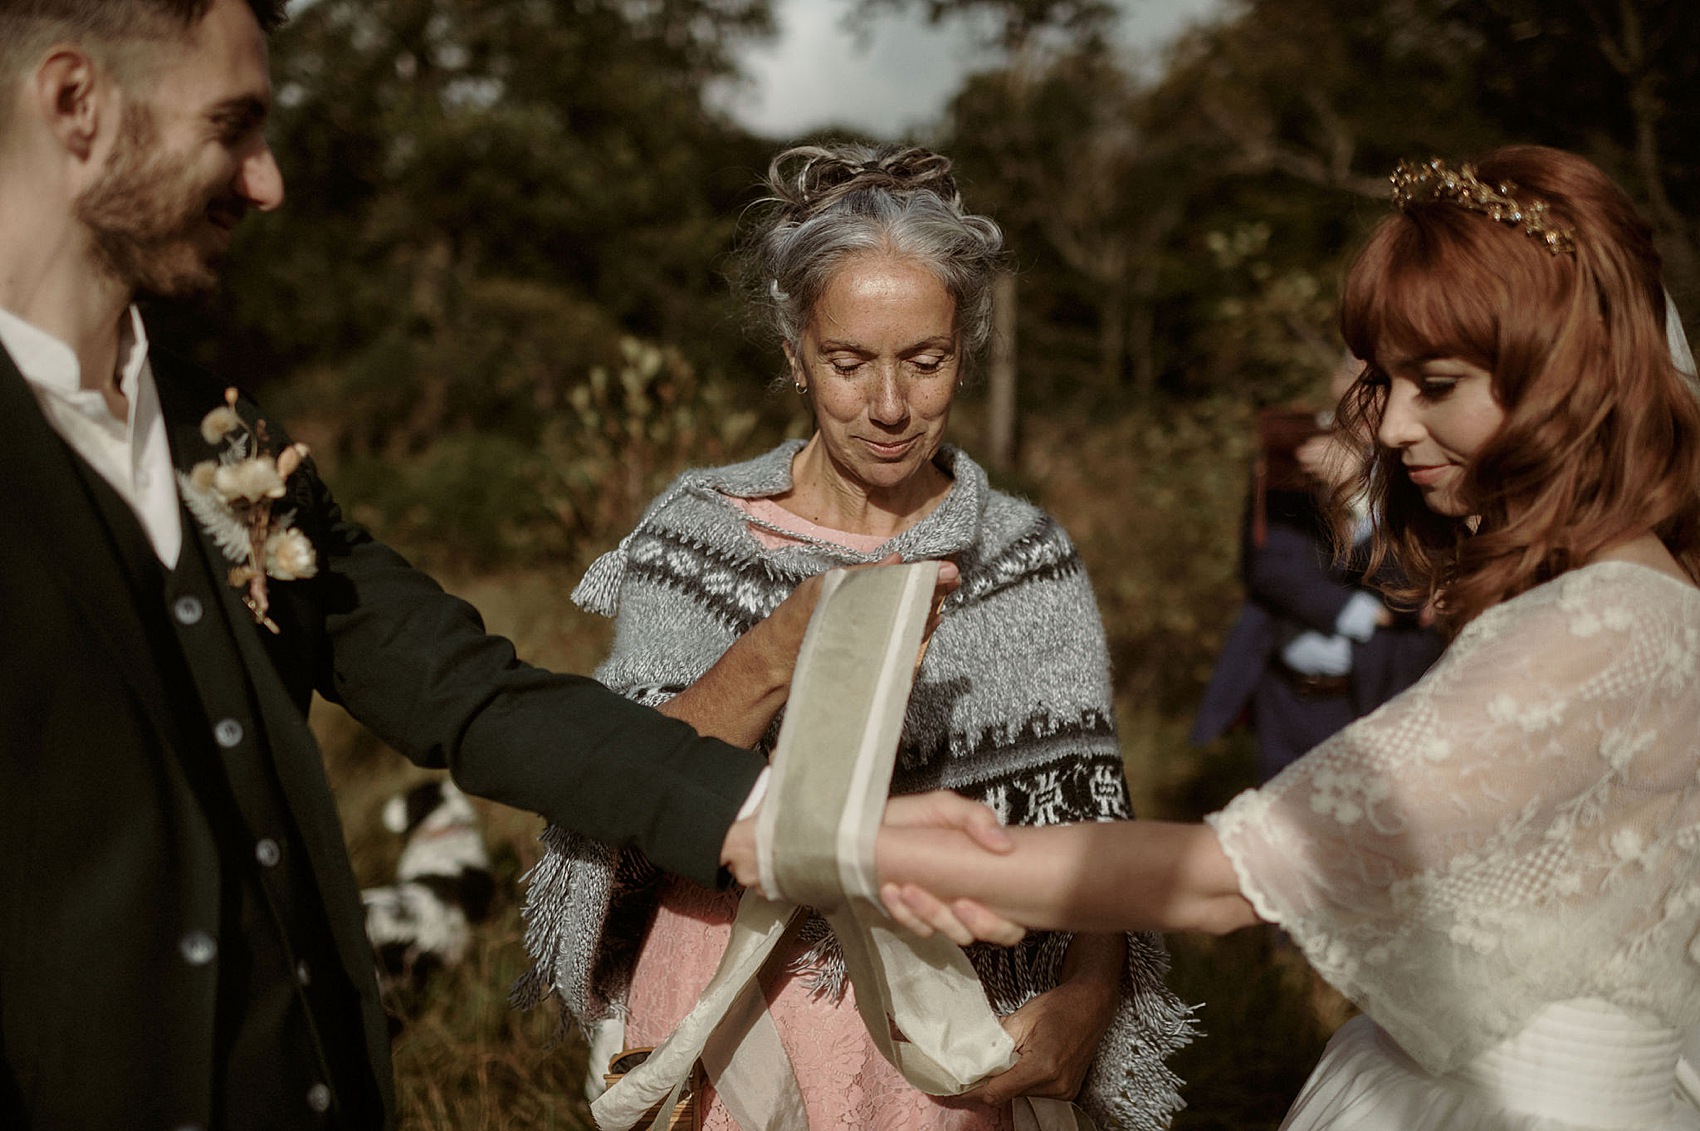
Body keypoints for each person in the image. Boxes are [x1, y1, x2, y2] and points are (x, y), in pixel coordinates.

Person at [0, 5, 996, 1128]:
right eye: (231, 127)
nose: (267, 181)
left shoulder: (215, 434)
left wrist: (800, 822)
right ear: (75, 104)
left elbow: (465, 692)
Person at [870, 144, 1700, 1130]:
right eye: (1384, 383)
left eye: (1434, 384)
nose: (1388, 425)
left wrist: (862, 844)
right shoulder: (1658, 599)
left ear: (1563, 379)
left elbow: (1228, 881)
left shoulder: (1590, 629)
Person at [517, 143, 1194, 1130]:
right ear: (793, 352)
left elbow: (1086, 818)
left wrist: (1086, 997)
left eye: (925, 362)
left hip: (939, 1040)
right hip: (722, 1004)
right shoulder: (696, 533)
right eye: (847, 363)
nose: (887, 407)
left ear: (965, 348)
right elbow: (628, 777)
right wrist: (782, 652)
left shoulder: (1021, 557)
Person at [1191, 353, 1445, 781]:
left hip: (1379, 693)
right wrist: (1361, 612)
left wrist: (1357, 500)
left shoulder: (1421, 464)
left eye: (1379, 383)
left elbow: (1411, 581)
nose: (1365, 398)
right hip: (1288, 697)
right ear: (1335, 383)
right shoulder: (1295, 451)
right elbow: (1268, 565)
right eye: (1353, 377)